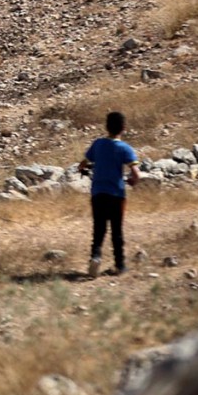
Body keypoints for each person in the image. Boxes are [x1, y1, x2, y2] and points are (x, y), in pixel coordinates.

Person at [80, 111, 140, 277]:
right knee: (116, 231)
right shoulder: (124, 148)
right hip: (117, 194)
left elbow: (83, 163)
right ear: (123, 128)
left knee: (98, 229)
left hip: (98, 193)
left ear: (106, 127)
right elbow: (136, 174)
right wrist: (131, 181)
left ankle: (95, 257)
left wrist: (84, 169)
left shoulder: (98, 144)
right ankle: (120, 265)